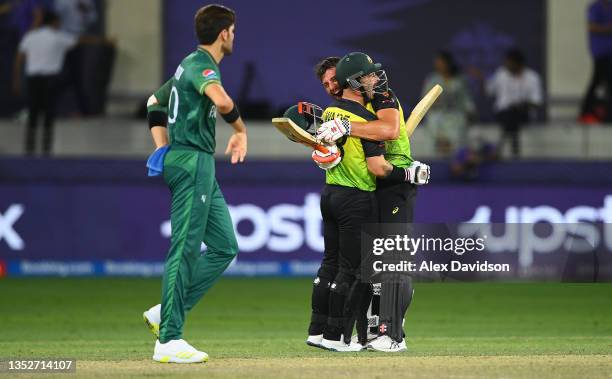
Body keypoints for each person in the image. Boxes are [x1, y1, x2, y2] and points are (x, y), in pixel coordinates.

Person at [141, 4, 247, 364]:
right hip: (193, 161)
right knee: (185, 248)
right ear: (224, 34)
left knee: (224, 247)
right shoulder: (202, 65)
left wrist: (162, 148)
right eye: (233, 31)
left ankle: (164, 313)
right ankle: (168, 340)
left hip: (189, 161)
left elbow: (154, 102)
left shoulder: (184, 65)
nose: (234, 36)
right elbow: (222, 100)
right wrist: (240, 130)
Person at [303, 52, 429, 352]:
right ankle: (370, 335)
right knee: (373, 264)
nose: (331, 87)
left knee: (388, 261)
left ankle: (384, 332)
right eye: (326, 83)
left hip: (395, 179)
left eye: (335, 79)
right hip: (374, 183)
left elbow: (389, 130)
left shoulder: (379, 95)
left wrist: (347, 128)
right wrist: (327, 153)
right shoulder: (346, 108)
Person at [12, 10, 76, 155]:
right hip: (50, 80)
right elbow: (77, 41)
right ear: (54, 22)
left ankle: (29, 146)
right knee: (49, 113)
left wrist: (16, 81)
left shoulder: (30, 36)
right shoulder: (59, 37)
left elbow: (19, 59)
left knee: (33, 112)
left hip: (33, 79)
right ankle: (46, 147)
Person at [486, 48, 542, 159]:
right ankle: (515, 153)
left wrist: (522, 105)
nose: (506, 65)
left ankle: (499, 149)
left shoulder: (532, 77)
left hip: (524, 113)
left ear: (518, 63)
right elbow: (489, 91)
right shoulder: (501, 74)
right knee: (510, 115)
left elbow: (537, 102)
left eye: (509, 63)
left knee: (513, 114)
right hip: (502, 113)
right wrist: (482, 80)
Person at [422, 51, 475, 156]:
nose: (439, 66)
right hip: (437, 115)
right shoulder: (432, 80)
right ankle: (436, 157)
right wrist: (433, 101)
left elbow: (466, 100)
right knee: (432, 121)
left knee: (460, 126)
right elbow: (425, 100)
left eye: (441, 63)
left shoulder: (460, 80)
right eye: (437, 63)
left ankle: (457, 159)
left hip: (456, 115)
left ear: (448, 63)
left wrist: (470, 111)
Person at [580, 0, 612, 123]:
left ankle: (606, 113)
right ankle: (585, 111)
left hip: (610, 51)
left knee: (607, 82)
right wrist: (608, 29)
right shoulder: (595, 7)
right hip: (600, 51)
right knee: (598, 80)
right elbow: (592, 26)